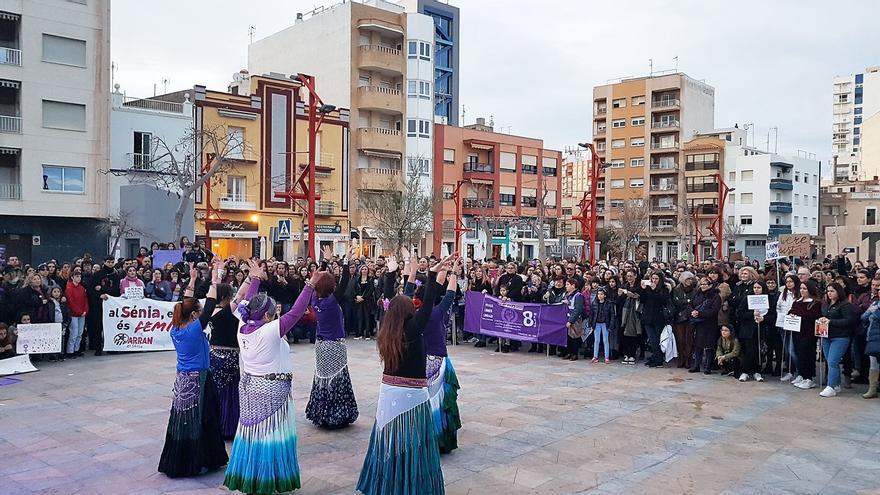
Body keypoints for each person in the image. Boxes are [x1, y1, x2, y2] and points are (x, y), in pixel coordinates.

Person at [356, 255, 450, 495]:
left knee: (389, 437)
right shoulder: (413, 327)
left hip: (388, 392)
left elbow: (393, 300)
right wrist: (429, 275)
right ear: (409, 311)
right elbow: (427, 302)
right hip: (412, 394)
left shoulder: (388, 326)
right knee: (412, 439)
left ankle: (385, 482)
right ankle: (411, 485)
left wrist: (391, 274)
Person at [223, 261, 308, 495]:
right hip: (272, 389)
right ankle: (268, 481)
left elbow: (246, 305)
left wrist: (256, 279)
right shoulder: (269, 331)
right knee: (270, 435)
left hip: (251, 386)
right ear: (269, 315)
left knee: (251, 433)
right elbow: (296, 313)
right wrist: (309, 285)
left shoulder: (242, 325)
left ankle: (250, 478)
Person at [157, 261, 228, 478]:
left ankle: (182, 459)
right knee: (205, 418)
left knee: (183, 419)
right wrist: (215, 278)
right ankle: (204, 459)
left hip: (183, 380)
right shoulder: (195, 330)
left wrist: (193, 279)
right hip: (200, 380)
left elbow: (184, 302)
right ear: (195, 315)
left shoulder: (175, 329)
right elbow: (210, 304)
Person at [304, 245, 359, 429]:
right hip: (334, 345)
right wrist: (345, 262)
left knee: (322, 378)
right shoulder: (330, 302)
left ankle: (321, 412)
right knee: (337, 378)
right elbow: (343, 283)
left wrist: (325, 262)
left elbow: (314, 280)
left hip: (320, 346)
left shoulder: (315, 300)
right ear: (331, 287)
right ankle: (336, 414)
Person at [421, 257, 462, 454]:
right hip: (438, 359)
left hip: (422, 361)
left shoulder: (413, 315)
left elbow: (436, 290)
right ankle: (441, 438)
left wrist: (443, 270)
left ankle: (426, 436)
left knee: (427, 400)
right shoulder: (436, 313)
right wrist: (453, 272)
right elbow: (450, 294)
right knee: (440, 400)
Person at [208, 276, 251, 439]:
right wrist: (249, 278)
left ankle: (217, 424)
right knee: (229, 391)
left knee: (219, 391)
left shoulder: (210, 311)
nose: (233, 298)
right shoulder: (225, 312)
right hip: (228, 357)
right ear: (225, 298)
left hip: (215, 355)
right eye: (230, 297)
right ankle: (228, 426)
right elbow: (241, 296)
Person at [817, 282, 857, 397]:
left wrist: (831, 321)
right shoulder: (825, 304)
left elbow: (849, 321)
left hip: (840, 337)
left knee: (833, 361)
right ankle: (836, 384)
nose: (829, 293)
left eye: (832, 291)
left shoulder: (846, 305)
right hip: (826, 336)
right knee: (830, 361)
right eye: (828, 291)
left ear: (838, 292)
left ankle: (830, 386)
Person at [790, 280, 823, 390]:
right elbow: (791, 311)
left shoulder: (816, 303)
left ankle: (809, 377)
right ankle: (802, 374)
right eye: (801, 288)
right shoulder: (797, 301)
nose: (802, 291)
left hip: (809, 333)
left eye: (805, 289)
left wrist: (799, 316)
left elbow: (814, 316)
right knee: (799, 354)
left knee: (807, 354)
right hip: (797, 332)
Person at [689, 277, 721, 374]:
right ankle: (697, 365)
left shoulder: (715, 296)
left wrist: (700, 313)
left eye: (705, 284)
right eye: (701, 284)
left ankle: (708, 367)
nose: (702, 286)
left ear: (710, 285)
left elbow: (714, 310)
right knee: (698, 346)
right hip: (698, 323)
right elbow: (690, 305)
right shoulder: (697, 294)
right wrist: (692, 312)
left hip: (710, 324)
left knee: (709, 346)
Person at [777, 275, 800, 382]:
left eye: (791, 281)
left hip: (794, 324)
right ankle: (790, 371)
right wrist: (781, 315)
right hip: (783, 323)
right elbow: (778, 306)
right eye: (787, 282)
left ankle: (800, 371)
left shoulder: (799, 293)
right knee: (786, 349)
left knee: (793, 349)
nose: (789, 283)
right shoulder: (784, 293)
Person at [860, 276, 880, 399]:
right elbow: (863, 317)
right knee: (873, 364)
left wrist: (877, 312)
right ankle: (872, 388)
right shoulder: (875, 303)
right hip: (873, 337)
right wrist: (870, 311)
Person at [672, 272, 697, 369]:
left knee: (689, 339)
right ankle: (681, 358)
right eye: (687, 279)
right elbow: (676, 302)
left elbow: (694, 302)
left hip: (690, 316)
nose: (689, 281)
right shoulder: (676, 289)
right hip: (679, 317)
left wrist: (685, 302)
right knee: (680, 339)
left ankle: (688, 359)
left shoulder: (695, 290)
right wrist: (687, 301)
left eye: (691, 279)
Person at [589, 286, 617, 363]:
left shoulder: (609, 303)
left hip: (605, 323)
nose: (600, 296)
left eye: (601, 294)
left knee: (605, 340)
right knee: (596, 340)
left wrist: (611, 325)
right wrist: (591, 324)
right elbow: (591, 314)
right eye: (598, 294)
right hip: (597, 323)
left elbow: (612, 315)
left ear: (605, 295)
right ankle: (595, 356)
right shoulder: (594, 303)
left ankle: (606, 356)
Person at [64, 271, 88, 358]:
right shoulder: (69, 288)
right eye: (77, 276)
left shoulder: (81, 288)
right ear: (72, 277)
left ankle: (76, 349)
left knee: (80, 332)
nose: (79, 278)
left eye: (80, 277)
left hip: (82, 313)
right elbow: (71, 302)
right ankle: (70, 351)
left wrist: (85, 310)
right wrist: (79, 311)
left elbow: (85, 300)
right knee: (74, 332)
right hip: (74, 314)